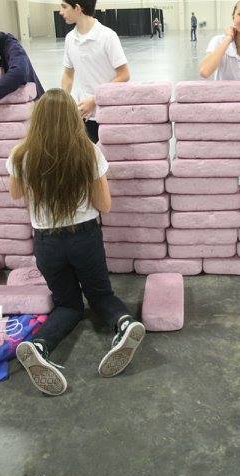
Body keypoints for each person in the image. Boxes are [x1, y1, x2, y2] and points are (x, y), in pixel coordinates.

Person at [8, 89, 146, 396]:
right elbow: (105, 204)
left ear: (37, 120)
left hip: (47, 243)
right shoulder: (88, 152)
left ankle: (39, 346)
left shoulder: (21, 154)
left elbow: (16, 194)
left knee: (68, 304)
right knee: (100, 296)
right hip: (84, 237)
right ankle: (124, 325)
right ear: (75, 118)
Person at [59, 0, 131, 143]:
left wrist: (95, 99)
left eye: (64, 7)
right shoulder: (70, 39)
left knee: (107, 161)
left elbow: (124, 75)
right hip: (82, 114)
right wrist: (64, 101)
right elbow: (68, 74)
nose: (61, 11)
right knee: (85, 163)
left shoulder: (107, 36)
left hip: (107, 113)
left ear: (77, 8)